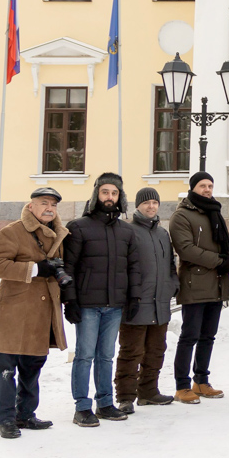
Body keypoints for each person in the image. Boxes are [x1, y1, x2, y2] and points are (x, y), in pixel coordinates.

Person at [0, 187, 70, 439]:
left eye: (53, 205)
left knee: (33, 365)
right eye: (44, 203)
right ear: (31, 206)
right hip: (15, 311)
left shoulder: (58, 234)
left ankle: (26, 414)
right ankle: (5, 420)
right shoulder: (12, 232)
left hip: (43, 312)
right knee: (7, 368)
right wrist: (34, 269)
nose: (49, 208)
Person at [63, 172, 142, 426]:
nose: (110, 197)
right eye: (105, 192)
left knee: (106, 355)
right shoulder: (78, 227)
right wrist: (70, 301)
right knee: (85, 355)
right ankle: (82, 407)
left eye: (114, 193)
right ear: (97, 194)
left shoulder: (127, 232)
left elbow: (133, 268)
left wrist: (133, 298)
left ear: (120, 197)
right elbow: (69, 268)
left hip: (114, 306)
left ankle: (105, 403)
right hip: (87, 306)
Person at [169, 171, 229, 404]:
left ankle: (201, 380)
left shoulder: (214, 211)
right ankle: (181, 385)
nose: (207, 189)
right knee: (190, 336)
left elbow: (228, 244)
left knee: (208, 336)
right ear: (193, 188)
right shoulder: (182, 215)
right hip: (195, 284)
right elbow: (186, 249)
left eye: (210, 185)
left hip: (217, 284)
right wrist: (220, 261)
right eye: (202, 186)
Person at [115, 187, 178, 414]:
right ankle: (125, 396)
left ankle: (149, 391)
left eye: (155, 202)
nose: (151, 206)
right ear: (138, 205)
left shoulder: (162, 233)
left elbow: (171, 264)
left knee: (156, 350)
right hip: (136, 303)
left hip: (160, 303)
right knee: (131, 352)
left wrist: (173, 285)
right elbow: (121, 267)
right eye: (146, 203)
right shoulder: (128, 231)